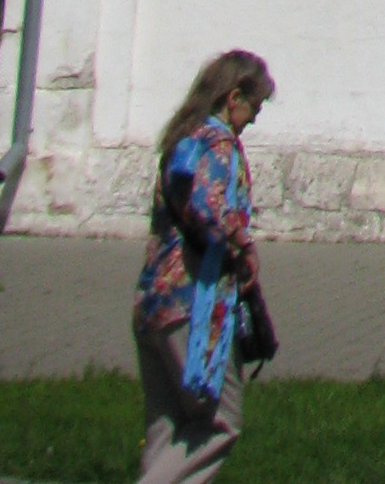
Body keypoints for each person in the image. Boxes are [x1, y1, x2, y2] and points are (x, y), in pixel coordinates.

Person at [133, 48, 274, 484]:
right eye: (255, 106)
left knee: (168, 423)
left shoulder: (182, 139)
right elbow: (206, 204)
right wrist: (240, 239)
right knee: (220, 421)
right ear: (233, 98)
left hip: (153, 300)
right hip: (194, 305)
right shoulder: (217, 143)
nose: (254, 119)